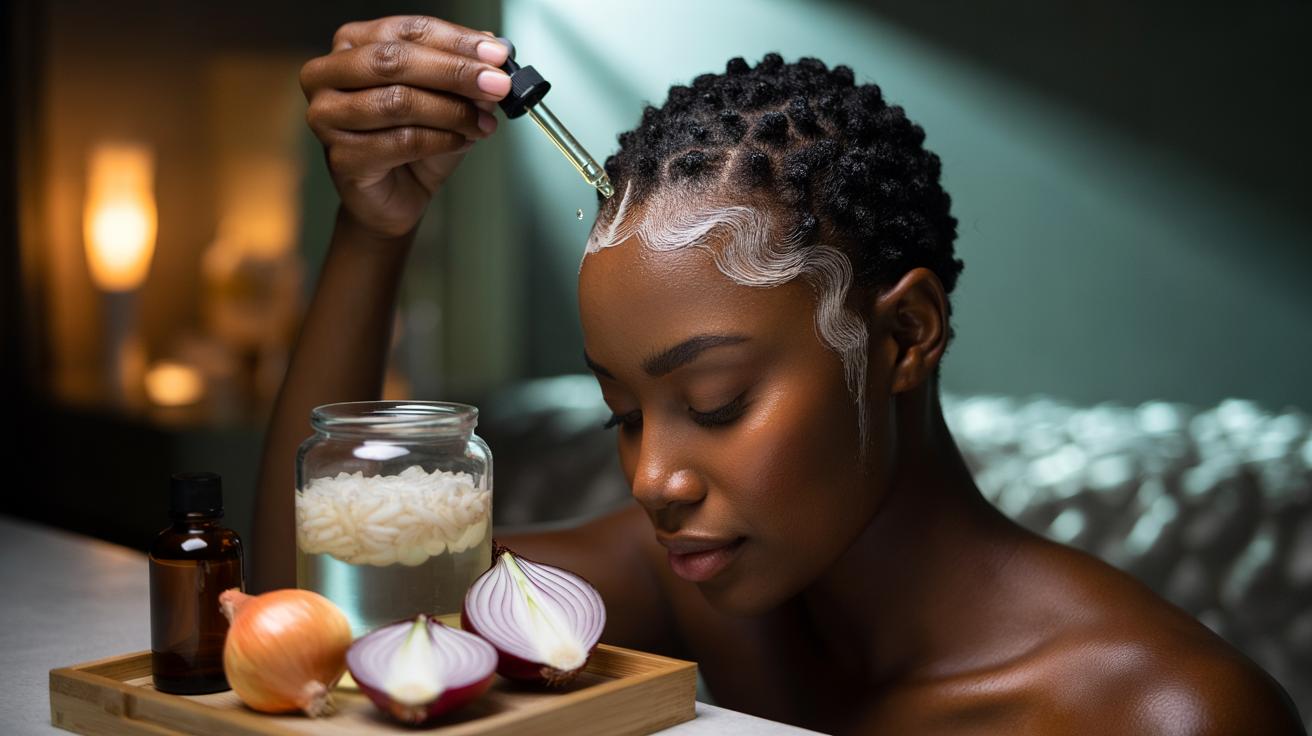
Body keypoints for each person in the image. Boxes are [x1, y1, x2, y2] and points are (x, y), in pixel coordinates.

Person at [257, 15, 1305, 734]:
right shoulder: (706, 593)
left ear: (905, 335)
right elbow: (316, 626)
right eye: (623, 413)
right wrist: (371, 227)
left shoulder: (1169, 715)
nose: (653, 478)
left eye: (713, 402)